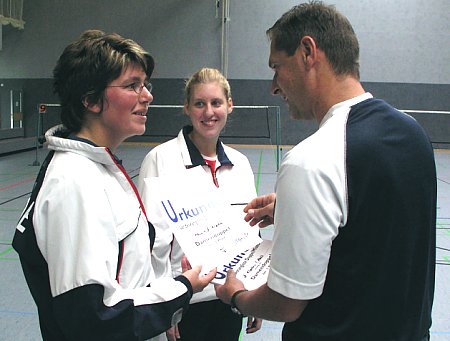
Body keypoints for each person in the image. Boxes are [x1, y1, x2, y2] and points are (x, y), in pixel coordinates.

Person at [214, 2, 436, 341]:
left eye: (277, 67)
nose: (274, 87)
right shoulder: (413, 133)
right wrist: (298, 208)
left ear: (307, 52)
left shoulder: (313, 160)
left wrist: (237, 297)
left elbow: (286, 304)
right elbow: (375, 225)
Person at [12, 30, 216, 341]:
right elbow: (95, 317)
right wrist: (182, 288)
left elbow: (125, 277)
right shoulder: (74, 182)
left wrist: (171, 281)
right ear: (90, 99)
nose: (147, 95)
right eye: (133, 85)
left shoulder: (97, 167)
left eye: (145, 85)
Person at [138, 67, 262, 341]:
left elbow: (250, 232)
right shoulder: (160, 160)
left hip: (230, 298)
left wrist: (253, 288)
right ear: (187, 107)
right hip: (184, 302)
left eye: (216, 103)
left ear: (229, 105)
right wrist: (165, 306)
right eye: (199, 104)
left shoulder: (240, 164)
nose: (209, 112)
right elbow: (149, 244)